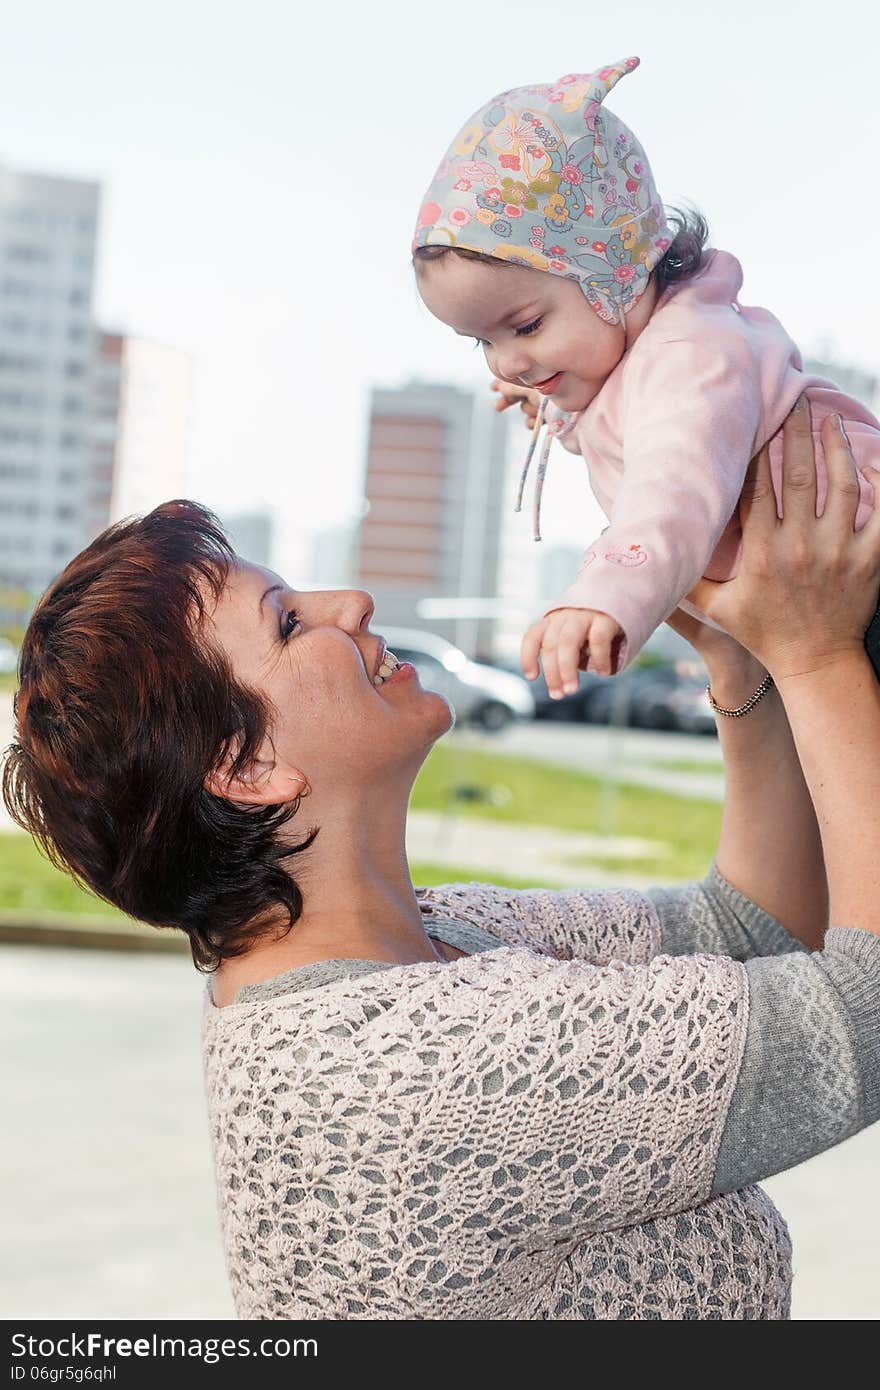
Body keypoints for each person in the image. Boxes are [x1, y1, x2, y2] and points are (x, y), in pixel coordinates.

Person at [4, 407, 880, 1320]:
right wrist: (817, 653)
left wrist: (740, 661)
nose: (353, 604)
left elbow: (748, 930)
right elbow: (865, 1014)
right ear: (246, 767)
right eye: (291, 622)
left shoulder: (428, 940)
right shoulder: (415, 1066)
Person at [412, 56, 880, 696]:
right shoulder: (639, 357)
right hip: (827, 589)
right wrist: (554, 400)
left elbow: (674, 483)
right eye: (480, 342)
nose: (505, 362)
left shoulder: (691, 355)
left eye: (523, 327)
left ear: (616, 274)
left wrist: (603, 594)